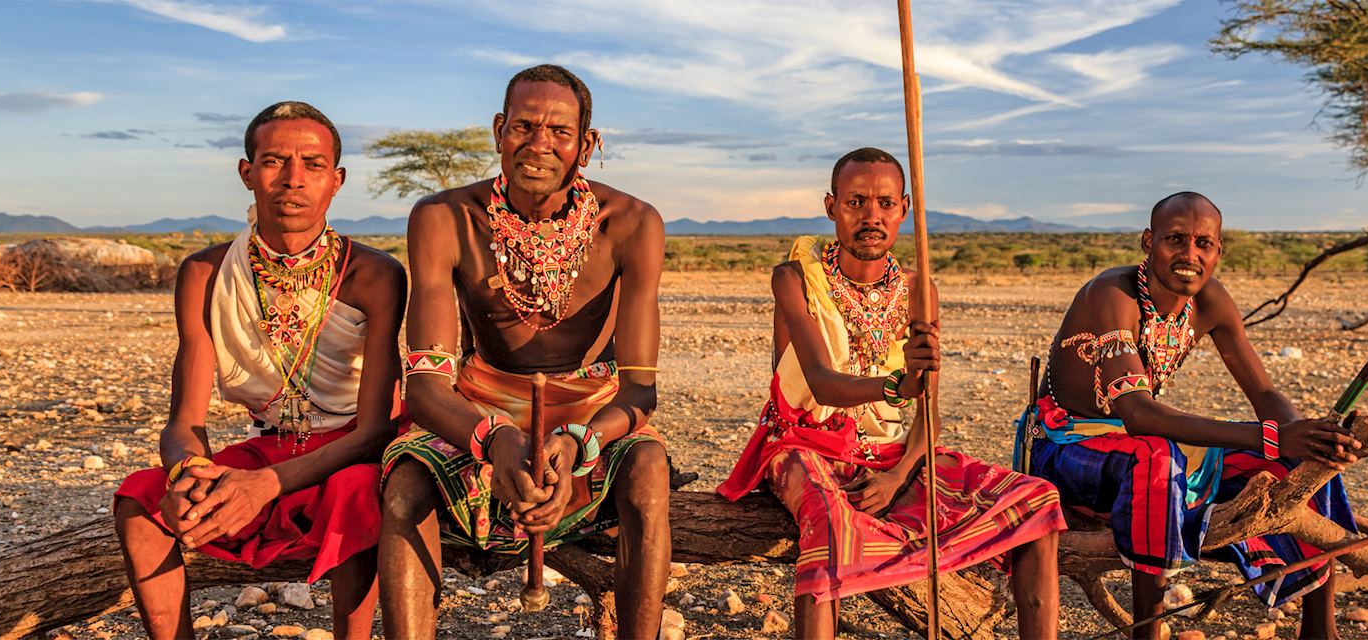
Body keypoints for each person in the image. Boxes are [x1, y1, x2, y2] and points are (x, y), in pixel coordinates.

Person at [719, 147, 1066, 639]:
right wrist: (897, 385)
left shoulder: (919, 289)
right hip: (802, 444)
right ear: (831, 206)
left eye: (884, 203)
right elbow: (820, 382)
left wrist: (902, 473)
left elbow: (930, 413)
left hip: (891, 455)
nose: (871, 216)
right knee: (831, 524)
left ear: (904, 208)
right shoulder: (795, 278)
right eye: (856, 202)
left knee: (1035, 499)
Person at [378, 64, 670, 640]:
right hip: (479, 404)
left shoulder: (633, 224)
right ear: (497, 130)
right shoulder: (444, 220)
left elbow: (639, 389)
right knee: (405, 488)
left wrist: (580, 443)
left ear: (587, 145)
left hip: (592, 410)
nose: (539, 145)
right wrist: (496, 438)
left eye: (560, 132)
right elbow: (427, 387)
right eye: (523, 126)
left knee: (649, 473)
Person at [113, 101, 407, 640]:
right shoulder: (204, 273)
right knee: (141, 500)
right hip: (268, 444)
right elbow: (184, 423)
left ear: (336, 181)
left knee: (356, 490)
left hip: (350, 450)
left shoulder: (375, 275)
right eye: (274, 162)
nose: (293, 180)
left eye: (313, 165)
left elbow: (375, 431)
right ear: (247, 172)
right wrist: (188, 475)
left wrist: (261, 487)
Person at [1019, 192, 1362, 640]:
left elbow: (1263, 392)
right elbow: (1139, 413)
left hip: (1136, 441)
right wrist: (1276, 436)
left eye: (1204, 243)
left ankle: (1320, 629)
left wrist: (1307, 439)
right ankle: (1149, 631)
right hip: (1065, 447)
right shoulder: (1112, 293)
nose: (1189, 254)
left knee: (1303, 462)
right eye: (1175, 239)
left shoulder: (1211, 302)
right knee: (1156, 459)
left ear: (1219, 251)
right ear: (1148, 241)